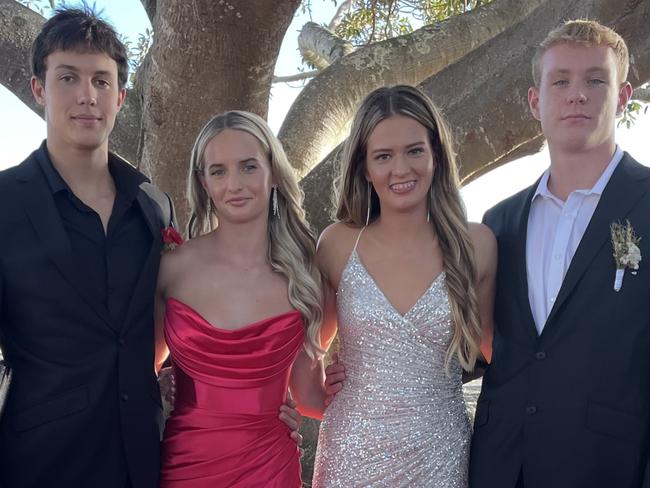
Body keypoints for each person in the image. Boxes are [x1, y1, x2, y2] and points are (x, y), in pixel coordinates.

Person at [0, 9, 301, 488]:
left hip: (146, 458)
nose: (86, 96)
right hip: (40, 462)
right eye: (68, 78)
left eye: (101, 80)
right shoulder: (5, 204)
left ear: (121, 96)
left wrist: (262, 405)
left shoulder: (152, 206)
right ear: (38, 89)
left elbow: (169, 333)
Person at [469, 20, 650, 488]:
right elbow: (482, 345)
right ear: (535, 101)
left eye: (595, 80)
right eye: (561, 81)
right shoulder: (499, 222)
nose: (577, 95)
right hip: (501, 466)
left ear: (623, 95)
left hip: (610, 467)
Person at [312, 85, 496, 487]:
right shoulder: (338, 243)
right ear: (363, 166)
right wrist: (316, 388)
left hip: (440, 452)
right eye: (383, 156)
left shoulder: (476, 245)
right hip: (352, 451)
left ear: (436, 155)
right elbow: (307, 345)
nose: (401, 169)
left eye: (414, 150)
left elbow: (501, 354)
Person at [155, 110, 330, 487]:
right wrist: (158, 388)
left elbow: (311, 398)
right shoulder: (171, 268)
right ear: (202, 182)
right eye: (218, 171)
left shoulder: (305, 273)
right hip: (185, 466)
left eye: (248, 167)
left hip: (270, 467)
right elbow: (139, 372)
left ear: (273, 172)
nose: (234, 184)